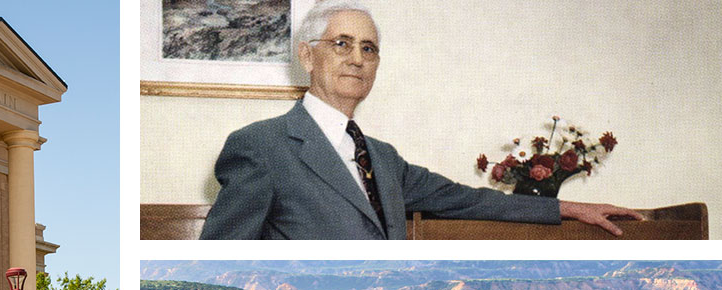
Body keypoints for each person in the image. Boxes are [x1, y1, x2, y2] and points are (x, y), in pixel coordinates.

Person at [198, 0, 640, 240]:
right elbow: (220, 257)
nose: (357, 59)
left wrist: (567, 208)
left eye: (368, 49)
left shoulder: (384, 160)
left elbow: (470, 201)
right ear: (306, 56)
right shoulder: (261, 146)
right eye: (342, 44)